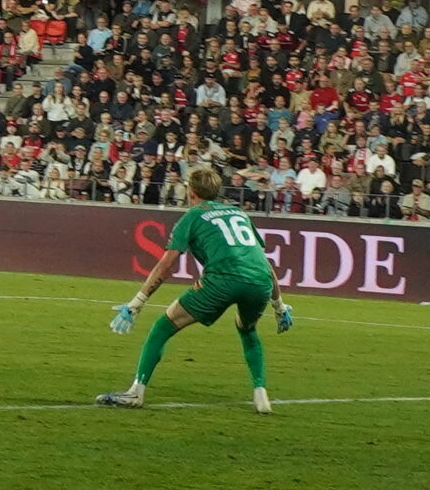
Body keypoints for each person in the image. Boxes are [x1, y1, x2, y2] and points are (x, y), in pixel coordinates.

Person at [98, 165, 293, 414]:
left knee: (163, 325)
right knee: (247, 329)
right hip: (260, 283)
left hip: (223, 279)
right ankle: (261, 393)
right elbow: (263, 262)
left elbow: (166, 264)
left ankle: (136, 392)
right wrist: (279, 306)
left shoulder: (192, 217)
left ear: (191, 193)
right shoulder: (239, 214)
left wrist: (137, 302)